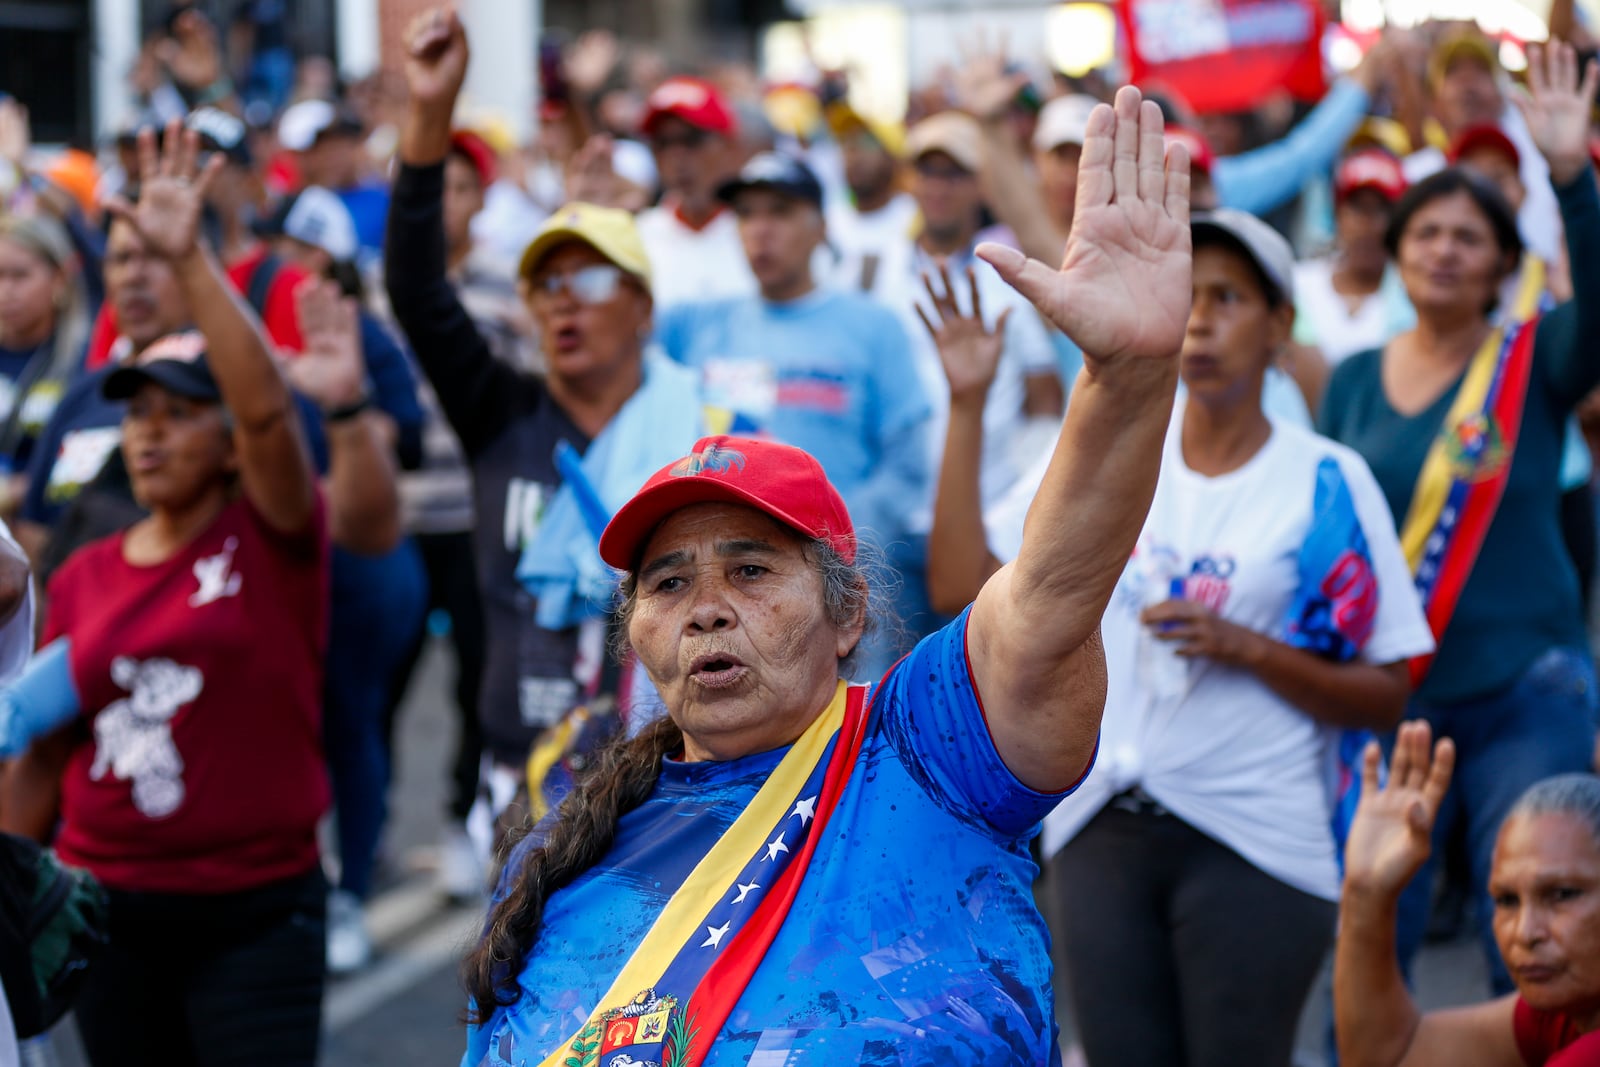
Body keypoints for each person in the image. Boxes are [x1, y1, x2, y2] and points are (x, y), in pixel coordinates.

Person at [456, 78, 1192, 1067]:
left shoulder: (928, 751)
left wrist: (1131, 380)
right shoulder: (567, 851)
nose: (708, 609)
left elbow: (1054, 589)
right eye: (667, 583)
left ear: (847, 613)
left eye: (750, 568)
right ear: (632, 628)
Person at [925, 206, 1434, 1066]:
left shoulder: (1325, 480)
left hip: (1259, 836)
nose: (1200, 317)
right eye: (1189, 294)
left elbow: (1389, 686)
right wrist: (969, 406)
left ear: (1281, 328)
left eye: (1230, 297)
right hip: (1098, 833)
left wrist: (1249, 647)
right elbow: (956, 584)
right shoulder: (1103, 461)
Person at [27, 120, 331, 1065]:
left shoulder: (275, 534)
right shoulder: (84, 574)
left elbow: (267, 406)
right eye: (138, 414)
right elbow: (41, 746)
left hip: (256, 917)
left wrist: (189, 259)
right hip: (110, 914)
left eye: (179, 413)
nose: (149, 434)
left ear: (229, 439)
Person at [1319, 41, 1600, 994]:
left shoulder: (1539, 358)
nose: (1444, 248)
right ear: (1398, 253)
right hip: (1393, 699)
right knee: (1372, 929)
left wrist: (1570, 176)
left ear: (1500, 264)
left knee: (1528, 935)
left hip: (1527, 688)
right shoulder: (1353, 380)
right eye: (1425, 231)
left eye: (1468, 236)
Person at [386, 9, 708, 834]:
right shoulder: (502, 412)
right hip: (525, 780)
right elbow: (419, 295)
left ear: (640, 305)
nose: (564, 301)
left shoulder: (701, 434)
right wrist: (429, 115)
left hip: (674, 776)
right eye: (547, 285)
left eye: (590, 281)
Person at [656, 151, 931, 675]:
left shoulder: (874, 328)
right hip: (719, 596)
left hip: (835, 590)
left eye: (779, 212)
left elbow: (908, 471)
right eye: (747, 214)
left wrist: (824, 546)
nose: (760, 230)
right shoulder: (695, 326)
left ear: (821, 227)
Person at [838, 110, 1062, 528]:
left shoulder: (1009, 274)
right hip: (888, 519)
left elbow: (1044, 395)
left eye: (954, 174)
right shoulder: (867, 272)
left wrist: (1021, 499)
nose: (938, 187)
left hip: (982, 515)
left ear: (980, 185)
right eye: (928, 172)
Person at [1336, 722, 1600, 1066]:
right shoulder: (1568, 1011)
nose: (1525, 932)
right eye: (1506, 900)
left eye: (1563, 894)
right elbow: (1393, 1055)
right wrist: (1364, 894)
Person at [634, 77, 753, 310]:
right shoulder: (637, 238)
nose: (677, 157)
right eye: (663, 143)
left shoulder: (764, 233)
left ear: (730, 147)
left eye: (692, 139)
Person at [1293, 148, 1417, 366]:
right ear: (1338, 215)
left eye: (1384, 210)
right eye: (1359, 208)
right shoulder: (1298, 285)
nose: (1371, 225)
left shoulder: (1417, 298)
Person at [0, 215, 89, 510]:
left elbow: (84, 461)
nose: (5, 292)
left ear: (59, 277)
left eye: (19, 275)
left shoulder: (84, 358)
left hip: (43, 519)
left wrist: (19, 491)